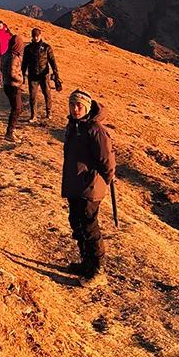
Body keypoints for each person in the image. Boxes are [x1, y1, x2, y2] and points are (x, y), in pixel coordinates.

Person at [61, 89, 116, 286]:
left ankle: (97, 269)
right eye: (72, 105)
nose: (75, 109)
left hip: (90, 185)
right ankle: (86, 262)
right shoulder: (73, 126)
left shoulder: (95, 129)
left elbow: (106, 159)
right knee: (76, 222)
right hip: (75, 183)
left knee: (89, 225)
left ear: (87, 107)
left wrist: (107, 179)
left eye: (79, 106)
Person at [21, 27, 62, 123]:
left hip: (44, 75)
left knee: (47, 93)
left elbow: (52, 62)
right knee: (33, 96)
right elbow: (24, 63)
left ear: (40, 35)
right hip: (32, 75)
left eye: (37, 36)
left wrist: (56, 74)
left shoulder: (47, 48)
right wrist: (22, 74)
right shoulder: (28, 48)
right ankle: (33, 115)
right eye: (34, 36)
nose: (35, 38)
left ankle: (49, 112)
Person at [2, 33, 24, 142]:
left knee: (16, 108)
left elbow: (2, 69)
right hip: (14, 86)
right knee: (17, 109)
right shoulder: (14, 57)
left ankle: (12, 130)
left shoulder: (6, 54)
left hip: (6, 84)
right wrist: (21, 79)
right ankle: (10, 132)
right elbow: (12, 72)